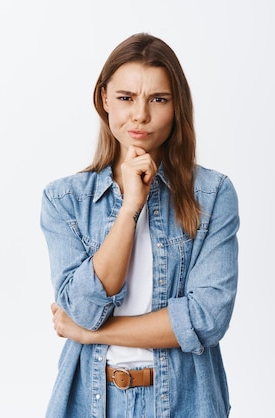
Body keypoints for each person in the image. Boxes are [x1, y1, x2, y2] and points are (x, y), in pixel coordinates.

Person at [40, 32, 240, 418]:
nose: (141, 115)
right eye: (126, 98)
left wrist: (91, 334)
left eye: (158, 99)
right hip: (92, 402)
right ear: (104, 100)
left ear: (176, 105)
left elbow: (206, 319)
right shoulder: (64, 201)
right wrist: (131, 205)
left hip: (185, 402)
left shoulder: (213, 195)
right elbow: (82, 308)